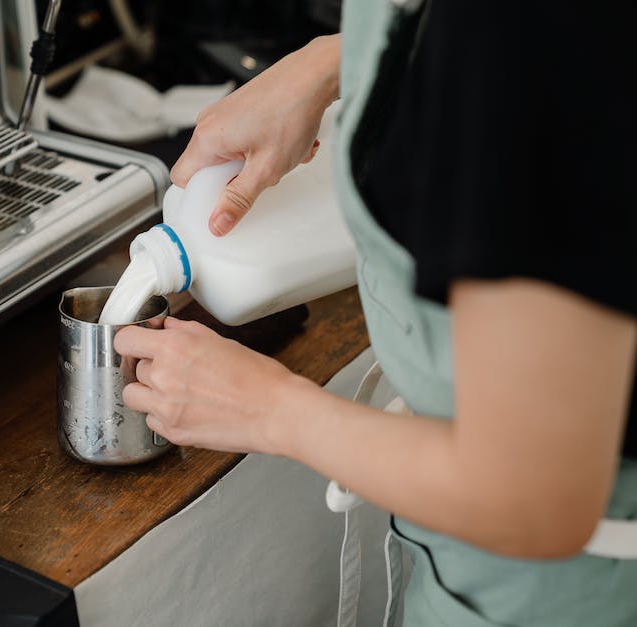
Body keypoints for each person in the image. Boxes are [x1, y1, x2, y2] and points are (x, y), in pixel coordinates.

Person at [113, 1, 637, 625]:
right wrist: (335, 62)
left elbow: (536, 501)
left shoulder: (525, 35)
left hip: (557, 590)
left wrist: (270, 408)